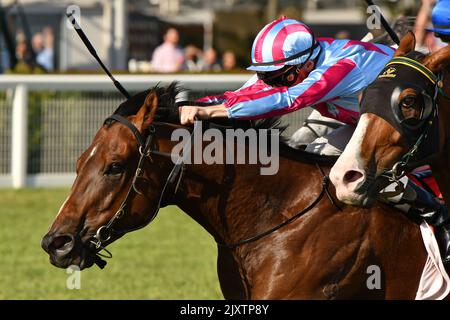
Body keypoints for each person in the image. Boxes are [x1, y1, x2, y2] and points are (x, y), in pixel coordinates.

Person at [179, 16, 450, 263]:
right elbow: (247, 92)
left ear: (307, 64)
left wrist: (212, 111)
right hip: (359, 119)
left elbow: (289, 99)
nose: (271, 82)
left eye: (279, 76)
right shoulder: (298, 62)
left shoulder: (341, 66)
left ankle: (434, 212)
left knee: (352, 164)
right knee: (313, 156)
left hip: (398, 123)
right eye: (266, 75)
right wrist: (197, 105)